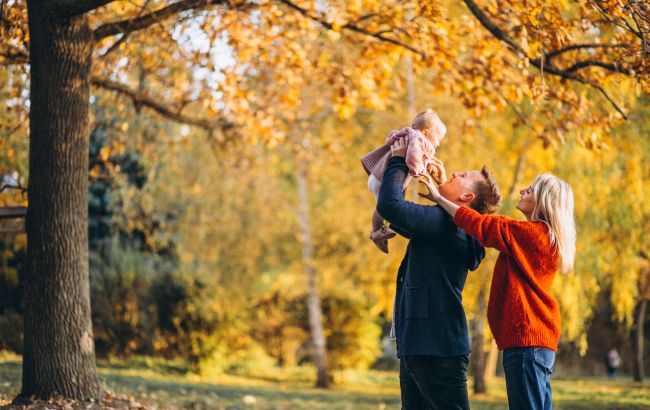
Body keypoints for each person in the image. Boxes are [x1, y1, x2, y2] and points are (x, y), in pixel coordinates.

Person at [419, 161, 576, 410]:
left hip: (527, 341)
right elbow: (480, 223)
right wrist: (443, 189)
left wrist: (439, 197)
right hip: (536, 342)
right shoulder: (540, 236)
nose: (524, 190)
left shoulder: (531, 234)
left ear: (544, 202)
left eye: (531, 190)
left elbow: (482, 225)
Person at [376, 137, 502, 410]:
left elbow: (391, 206)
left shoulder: (447, 226)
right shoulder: (447, 225)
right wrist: (442, 192)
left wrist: (399, 160)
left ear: (467, 197)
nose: (454, 172)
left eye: (463, 176)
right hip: (422, 345)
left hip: (436, 347)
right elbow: (401, 218)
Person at [361, 109, 446, 253]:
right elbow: (413, 156)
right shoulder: (417, 139)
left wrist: (427, 164)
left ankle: (378, 230)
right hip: (382, 179)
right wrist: (418, 170)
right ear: (425, 133)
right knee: (385, 207)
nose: (438, 143)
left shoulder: (409, 136)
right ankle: (376, 232)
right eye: (438, 138)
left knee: (384, 206)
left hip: (377, 177)